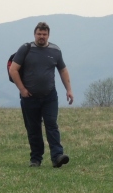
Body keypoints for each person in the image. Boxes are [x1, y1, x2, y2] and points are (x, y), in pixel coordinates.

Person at [8, 22, 74, 168]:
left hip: (49, 96)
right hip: (29, 97)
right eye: (39, 34)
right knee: (33, 128)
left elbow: (63, 70)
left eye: (44, 34)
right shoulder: (26, 49)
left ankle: (57, 156)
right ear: (34, 34)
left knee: (52, 125)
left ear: (48, 35)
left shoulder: (55, 51)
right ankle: (36, 159)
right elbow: (13, 70)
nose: (41, 37)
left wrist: (68, 89)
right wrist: (22, 90)